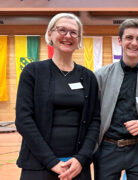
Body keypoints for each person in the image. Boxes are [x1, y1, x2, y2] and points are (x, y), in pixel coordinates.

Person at [15, 13, 100, 180]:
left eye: (74, 32)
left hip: (76, 168)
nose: (68, 36)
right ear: (49, 34)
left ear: (79, 39)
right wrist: (51, 161)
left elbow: (94, 121)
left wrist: (81, 158)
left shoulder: (89, 77)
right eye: (62, 30)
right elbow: (24, 120)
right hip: (38, 165)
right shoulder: (33, 72)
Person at [93, 19, 138, 180]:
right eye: (129, 37)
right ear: (120, 41)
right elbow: (92, 113)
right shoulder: (101, 76)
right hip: (108, 149)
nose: (134, 43)